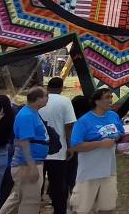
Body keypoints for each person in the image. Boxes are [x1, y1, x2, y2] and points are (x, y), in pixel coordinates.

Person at [70, 87, 124, 214]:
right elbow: (75, 146)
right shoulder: (84, 121)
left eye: (111, 97)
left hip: (109, 170)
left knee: (107, 208)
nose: (111, 100)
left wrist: (116, 137)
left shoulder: (113, 116)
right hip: (89, 171)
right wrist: (100, 143)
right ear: (97, 101)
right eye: (107, 97)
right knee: (82, 209)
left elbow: (121, 132)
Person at [0, 88, 49, 214]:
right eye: (46, 96)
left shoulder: (32, 113)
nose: (48, 99)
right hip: (26, 164)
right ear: (37, 99)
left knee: (17, 197)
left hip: (28, 163)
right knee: (30, 202)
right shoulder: (27, 115)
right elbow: (24, 142)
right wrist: (31, 166)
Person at [39, 77, 77, 214]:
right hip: (58, 151)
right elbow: (69, 125)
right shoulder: (65, 101)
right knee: (58, 185)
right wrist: (69, 145)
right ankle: (59, 210)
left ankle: (34, 207)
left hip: (39, 151)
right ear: (61, 88)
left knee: (37, 184)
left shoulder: (37, 100)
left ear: (47, 87)